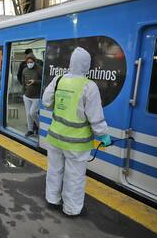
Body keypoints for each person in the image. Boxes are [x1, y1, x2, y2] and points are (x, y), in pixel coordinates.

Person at [42, 47, 111, 217]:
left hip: (55, 137)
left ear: (71, 63)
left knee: (54, 170)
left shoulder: (58, 80)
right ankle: (71, 209)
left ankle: (52, 199)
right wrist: (104, 136)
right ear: (86, 65)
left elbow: (46, 102)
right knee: (74, 177)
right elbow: (95, 117)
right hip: (76, 143)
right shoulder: (89, 86)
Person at [22, 53, 42, 137]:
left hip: (36, 96)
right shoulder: (25, 70)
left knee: (32, 113)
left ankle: (39, 127)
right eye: (28, 62)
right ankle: (30, 130)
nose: (29, 63)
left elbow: (43, 81)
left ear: (34, 61)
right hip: (27, 96)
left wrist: (35, 81)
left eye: (31, 62)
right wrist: (23, 92)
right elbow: (23, 82)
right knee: (28, 114)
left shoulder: (39, 69)